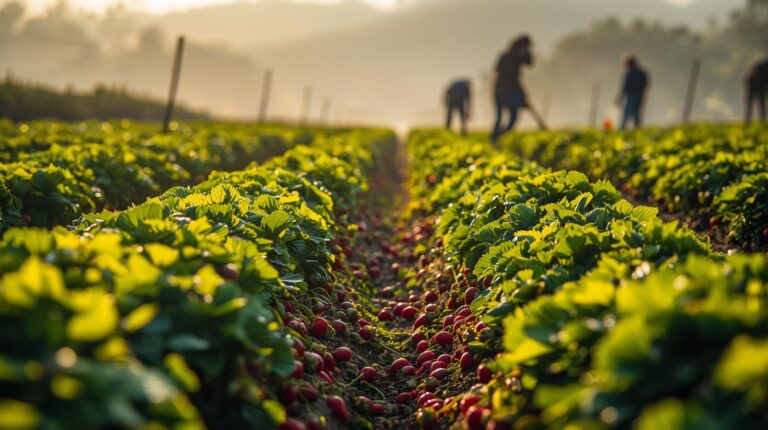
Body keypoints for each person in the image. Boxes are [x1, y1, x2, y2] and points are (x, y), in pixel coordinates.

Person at [491, 35, 535, 142]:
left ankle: (497, 136)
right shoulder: (514, 56)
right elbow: (529, 62)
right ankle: (497, 136)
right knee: (511, 116)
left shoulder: (506, 55)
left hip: (501, 89)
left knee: (504, 116)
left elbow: (529, 63)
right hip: (508, 90)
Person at [616, 54, 649, 130]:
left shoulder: (629, 74)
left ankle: (623, 130)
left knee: (627, 113)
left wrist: (620, 98)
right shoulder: (642, 73)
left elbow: (625, 87)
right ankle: (637, 130)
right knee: (636, 114)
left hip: (631, 96)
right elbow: (646, 85)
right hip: (640, 96)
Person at [745, 58, 768, 123]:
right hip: (758, 86)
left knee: (750, 105)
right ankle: (762, 121)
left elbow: (751, 72)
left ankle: (748, 121)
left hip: (753, 85)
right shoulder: (764, 65)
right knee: (761, 105)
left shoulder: (762, 64)